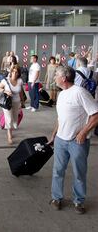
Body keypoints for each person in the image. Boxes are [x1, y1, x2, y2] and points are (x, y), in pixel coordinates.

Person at [48, 66, 98, 214]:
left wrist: (83, 132)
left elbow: (95, 115)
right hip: (60, 140)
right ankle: (56, 198)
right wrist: (54, 133)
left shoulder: (80, 93)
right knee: (58, 171)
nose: (55, 77)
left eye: (56, 74)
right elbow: (60, 117)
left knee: (79, 173)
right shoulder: (62, 94)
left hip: (77, 142)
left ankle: (79, 201)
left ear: (64, 78)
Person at [0, 65, 24, 145]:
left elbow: (21, 92)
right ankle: (9, 136)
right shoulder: (5, 80)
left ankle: (10, 128)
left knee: (15, 118)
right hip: (7, 102)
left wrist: (22, 101)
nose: (14, 73)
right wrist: (6, 91)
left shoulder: (20, 81)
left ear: (18, 73)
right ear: (10, 72)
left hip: (17, 102)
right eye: (13, 71)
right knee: (9, 118)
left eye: (16, 72)